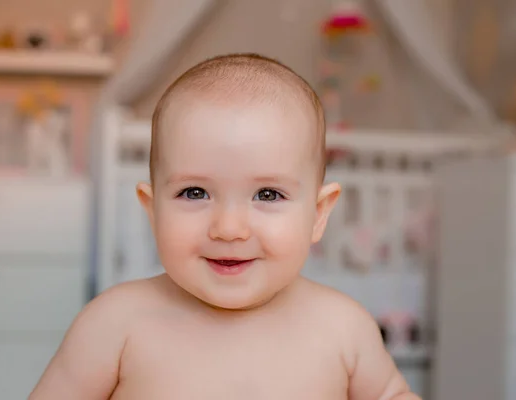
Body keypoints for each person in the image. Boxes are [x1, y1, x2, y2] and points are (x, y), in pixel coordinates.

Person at [29, 53, 420, 400]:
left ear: (318, 214)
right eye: (195, 192)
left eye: (267, 195)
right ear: (153, 210)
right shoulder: (115, 323)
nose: (229, 228)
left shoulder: (343, 327)